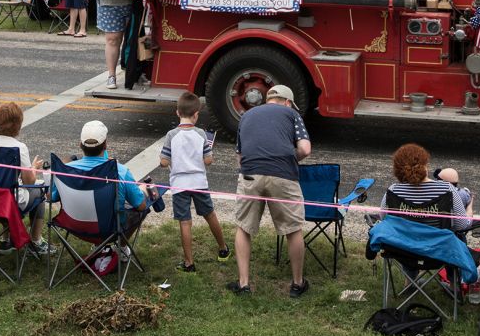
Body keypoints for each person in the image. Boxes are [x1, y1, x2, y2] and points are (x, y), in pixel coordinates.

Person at [229, 84, 311, 298]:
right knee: (293, 229)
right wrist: (290, 158)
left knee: (244, 227)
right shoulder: (291, 114)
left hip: (250, 174)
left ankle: (244, 284)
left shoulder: (247, 116)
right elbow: (305, 149)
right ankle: (297, 284)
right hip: (283, 175)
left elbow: (239, 155)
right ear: (287, 102)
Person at [160, 91, 230, 272]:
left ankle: (189, 262)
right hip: (199, 182)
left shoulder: (171, 135)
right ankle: (223, 248)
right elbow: (208, 160)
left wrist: (168, 159)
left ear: (177, 113)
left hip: (179, 185)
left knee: (185, 222)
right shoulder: (201, 134)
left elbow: (164, 162)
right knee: (210, 214)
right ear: (196, 114)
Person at [65, 120, 155, 241]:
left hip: (73, 226)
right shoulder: (121, 172)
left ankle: (100, 249)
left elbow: (51, 197)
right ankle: (121, 248)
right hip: (110, 230)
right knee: (141, 206)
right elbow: (140, 206)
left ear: (80, 145)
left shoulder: (66, 170)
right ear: (106, 145)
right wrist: (143, 189)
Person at [0, 101, 52, 252]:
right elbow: (29, 182)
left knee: (4, 189)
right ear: (18, 126)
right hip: (10, 202)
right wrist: (33, 169)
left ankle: (5, 240)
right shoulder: (18, 147)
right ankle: (36, 240)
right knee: (39, 191)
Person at [384, 144, 473, 233]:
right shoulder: (447, 189)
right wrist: (469, 208)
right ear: (425, 166)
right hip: (436, 245)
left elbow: (384, 218)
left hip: (401, 244)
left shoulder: (393, 190)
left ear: (397, 169)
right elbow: (462, 225)